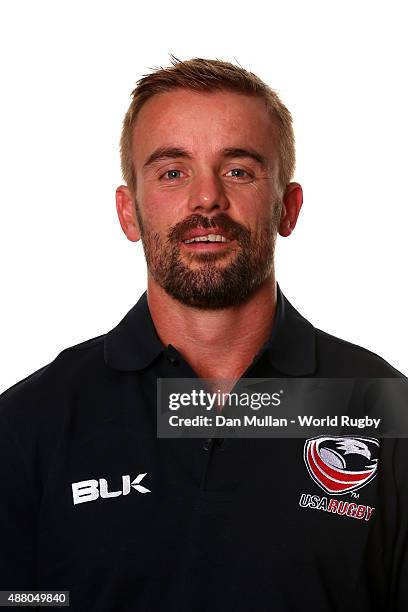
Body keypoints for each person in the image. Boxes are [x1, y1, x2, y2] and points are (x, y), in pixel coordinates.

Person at [0, 56, 406, 612]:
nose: (206, 199)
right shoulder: (29, 424)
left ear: (287, 207)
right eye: (173, 172)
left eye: (238, 170)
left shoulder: (385, 410)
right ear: (129, 213)